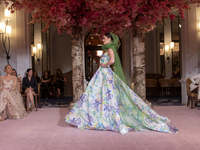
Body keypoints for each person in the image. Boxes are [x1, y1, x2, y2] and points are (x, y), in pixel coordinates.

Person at [65, 33, 179, 134]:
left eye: (104, 38)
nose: (103, 40)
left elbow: (112, 61)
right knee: (96, 95)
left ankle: (105, 117)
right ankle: (96, 116)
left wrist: (104, 65)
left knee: (105, 95)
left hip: (105, 74)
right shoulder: (107, 49)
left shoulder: (110, 49)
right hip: (101, 74)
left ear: (109, 39)